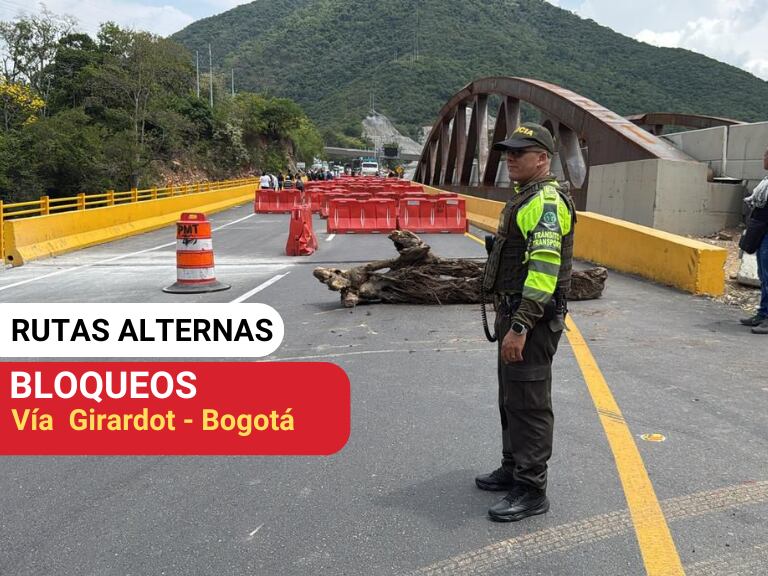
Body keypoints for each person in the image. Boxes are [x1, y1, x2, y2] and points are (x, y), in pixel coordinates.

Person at [477, 122, 575, 522]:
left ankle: (532, 489)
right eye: (508, 152)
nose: (510, 158)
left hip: (529, 321)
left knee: (530, 404)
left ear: (543, 159)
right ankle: (513, 467)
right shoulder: (525, 197)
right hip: (513, 313)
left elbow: (544, 272)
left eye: (520, 152)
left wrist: (520, 327)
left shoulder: (546, 202)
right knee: (511, 399)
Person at [739, 146, 768, 334]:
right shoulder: (766, 181)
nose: (763, 158)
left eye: (766, 155)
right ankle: (763, 313)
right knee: (763, 274)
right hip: (762, 231)